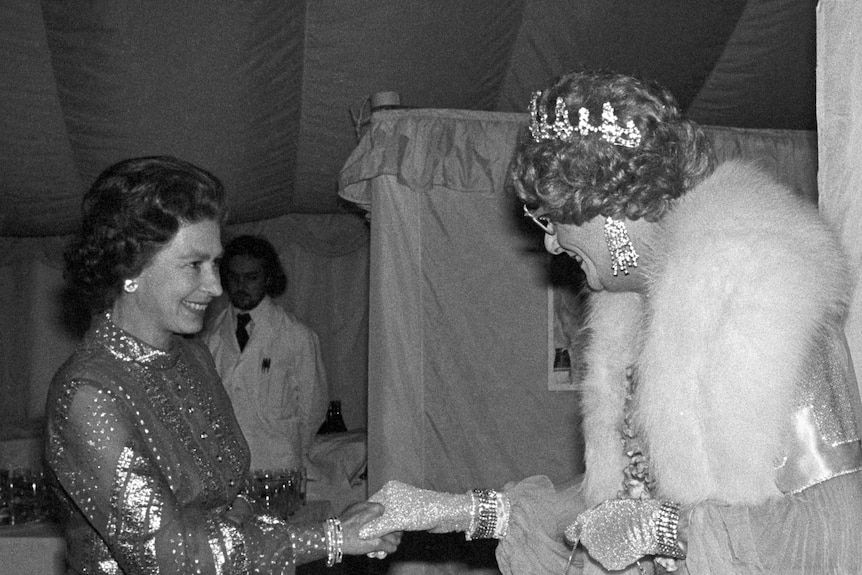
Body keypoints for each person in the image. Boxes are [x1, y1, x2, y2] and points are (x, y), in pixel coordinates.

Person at [357, 70, 862, 574]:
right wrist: (457, 512)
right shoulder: (635, 317)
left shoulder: (770, 296)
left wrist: (660, 530)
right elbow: (613, 504)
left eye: (551, 219)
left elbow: (838, 526)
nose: (551, 242)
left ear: (610, 207)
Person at [45, 156, 400, 575]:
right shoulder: (89, 393)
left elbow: (232, 498)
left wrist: (326, 529)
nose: (215, 286)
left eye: (215, 264)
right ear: (129, 267)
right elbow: (172, 556)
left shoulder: (193, 356)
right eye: (194, 264)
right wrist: (331, 536)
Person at [202, 234, 328, 473]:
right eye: (234, 277)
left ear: (268, 277)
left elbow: (313, 409)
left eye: (251, 277)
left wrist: (292, 454)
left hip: (278, 466)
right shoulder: (211, 336)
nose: (241, 285)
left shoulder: (296, 335)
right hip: (228, 468)